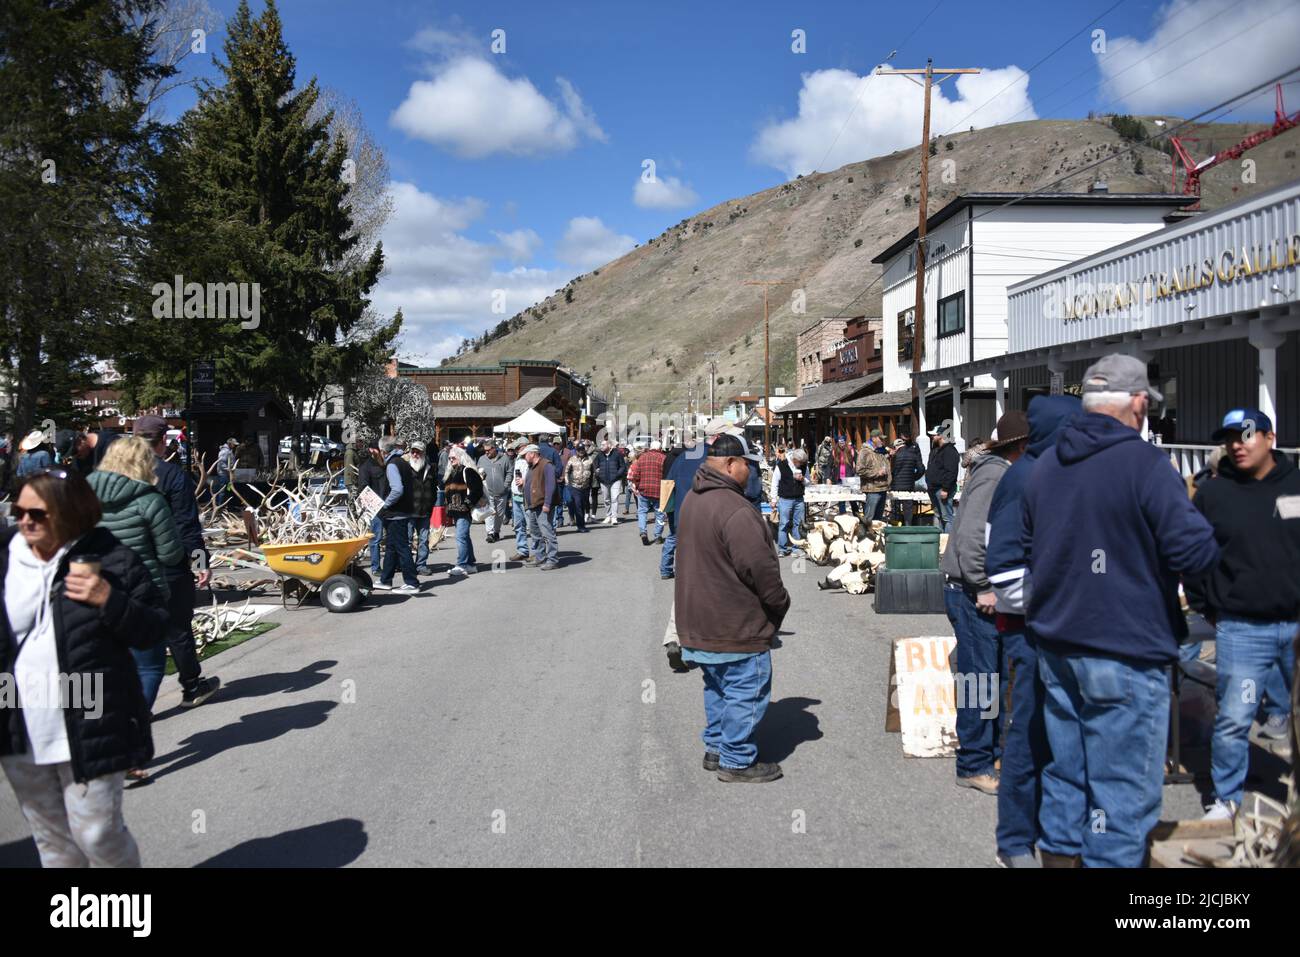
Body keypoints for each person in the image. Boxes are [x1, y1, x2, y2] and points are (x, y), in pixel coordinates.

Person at [1023, 354, 1218, 867]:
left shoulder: (1044, 467)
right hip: (1125, 649)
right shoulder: (1146, 465)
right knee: (1122, 796)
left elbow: (1026, 548)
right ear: (1136, 403)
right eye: (1145, 406)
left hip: (1058, 645)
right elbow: (1194, 553)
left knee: (1067, 778)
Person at [1, 468, 169, 867]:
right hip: (18, 721)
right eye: (18, 510)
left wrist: (109, 599)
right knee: (52, 842)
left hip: (90, 715)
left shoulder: (110, 557)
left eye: (38, 513)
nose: (25, 520)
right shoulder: (5, 555)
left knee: (97, 833)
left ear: (70, 512)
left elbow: (153, 628)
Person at [1186, 408, 1300, 820]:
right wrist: (1205, 604)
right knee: (1234, 718)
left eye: (1246, 435)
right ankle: (1226, 799)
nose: (1237, 443)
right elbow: (1193, 556)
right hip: (1241, 626)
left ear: (1270, 438)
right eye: (1230, 437)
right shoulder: (1215, 495)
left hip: (1297, 626)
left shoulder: (1297, 486)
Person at [984, 395, 1081, 868]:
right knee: (1028, 731)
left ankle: (1057, 831)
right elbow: (1001, 568)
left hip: (1067, 628)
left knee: (1063, 736)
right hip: (1030, 629)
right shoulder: (1024, 478)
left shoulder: (1068, 472)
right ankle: (1016, 840)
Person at [676, 433, 791, 783]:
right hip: (734, 623)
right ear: (729, 465)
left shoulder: (693, 500)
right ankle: (737, 759)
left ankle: (716, 747)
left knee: (717, 686)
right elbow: (760, 570)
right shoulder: (735, 509)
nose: (750, 472)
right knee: (745, 689)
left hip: (700, 621)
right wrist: (780, 603)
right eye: (747, 465)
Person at [940, 411, 1029, 799]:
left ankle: (990, 754)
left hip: (986, 592)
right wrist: (984, 586)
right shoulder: (997, 478)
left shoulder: (999, 475)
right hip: (974, 592)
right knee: (980, 678)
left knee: (993, 678)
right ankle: (973, 763)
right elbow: (974, 540)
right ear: (1022, 447)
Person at [86, 438, 183, 729]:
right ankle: (130, 725)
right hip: (144, 591)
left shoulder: (82, 496)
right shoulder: (149, 500)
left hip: (96, 590)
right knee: (149, 666)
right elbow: (170, 553)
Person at [133, 415, 220, 710]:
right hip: (169, 562)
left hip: (127, 564)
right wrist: (199, 563)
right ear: (163, 443)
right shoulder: (172, 476)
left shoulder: (117, 475)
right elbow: (187, 526)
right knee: (177, 628)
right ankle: (191, 686)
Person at [373, 437, 419, 593]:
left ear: (383, 451)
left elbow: (397, 489)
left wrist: (385, 503)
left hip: (396, 513)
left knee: (401, 548)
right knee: (392, 547)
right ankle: (386, 580)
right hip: (402, 511)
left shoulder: (392, 464)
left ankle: (412, 582)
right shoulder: (402, 462)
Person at [444, 446, 484, 576]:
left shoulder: (468, 471)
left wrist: (467, 504)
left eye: (453, 458)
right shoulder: (452, 472)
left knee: (461, 537)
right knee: (464, 537)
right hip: (455, 511)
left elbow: (477, 490)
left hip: (464, 511)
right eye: (449, 458)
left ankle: (462, 564)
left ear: (460, 457)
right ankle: (471, 564)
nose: (451, 460)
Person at [522, 444, 560, 570]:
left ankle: (552, 560)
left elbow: (551, 486)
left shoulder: (546, 465)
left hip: (542, 505)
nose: (524, 458)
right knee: (535, 534)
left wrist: (547, 504)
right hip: (533, 505)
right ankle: (540, 557)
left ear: (532, 453)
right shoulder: (531, 467)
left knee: (547, 533)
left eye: (525, 455)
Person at [357, 439, 387, 576]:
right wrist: (374, 507)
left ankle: (391, 565)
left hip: (389, 506)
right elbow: (363, 488)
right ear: (371, 450)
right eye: (378, 449)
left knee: (391, 538)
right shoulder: (366, 467)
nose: (381, 451)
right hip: (376, 509)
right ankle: (376, 567)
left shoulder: (386, 464)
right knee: (375, 539)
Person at [628, 440, 667, 546]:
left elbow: (636, 473)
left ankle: (643, 532)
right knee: (660, 514)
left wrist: (636, 484)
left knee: (642, 512)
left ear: (650, 447)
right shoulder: (663, 458)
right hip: (659, 490)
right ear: (659, 448)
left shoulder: (642, 457)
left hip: (644, 489)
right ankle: (658, 536)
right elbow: (667, 474)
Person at [407, 441, 437, 572]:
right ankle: (407, 566)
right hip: (409, 511)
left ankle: (421, 565)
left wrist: (431, 505)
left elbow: (434, 489)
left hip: (425, 511)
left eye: (418, 451)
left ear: (423, 453)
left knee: (424, 540)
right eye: (413, 451)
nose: (415, 454)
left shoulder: (430, 468)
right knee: (407, 541)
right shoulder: (406, 467)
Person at [774, 447, 808, 557]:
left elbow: (808, 482)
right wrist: (773, 499)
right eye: (800, 462)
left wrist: (802, 479)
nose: (801, 464)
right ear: (794, 459)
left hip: (799, 499)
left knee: (798, 524)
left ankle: (796, 548)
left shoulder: (804, 466)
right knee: (784, 524)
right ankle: (782, 549)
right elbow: (775, 482)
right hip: (785, 499)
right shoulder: (781, 465)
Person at [476, 441, 513, 544]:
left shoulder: (504, 458)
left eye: (488, 450)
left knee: (499, 514)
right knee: (489, 513)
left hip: (502, 492)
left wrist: (506, 485)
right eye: (485, 450)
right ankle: (490, 533)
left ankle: (496, 531)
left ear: (494, 449)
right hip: (487, 491)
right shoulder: (482, 459)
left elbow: (510, 472)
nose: (486, 452)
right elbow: (477, 471)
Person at [925, 426, 960, 532]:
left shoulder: (950, 451)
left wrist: (945, 488)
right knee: (938, 515)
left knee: (947, 517)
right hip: (933, 487)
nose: (932, 437)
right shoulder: (935, 450)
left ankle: (949, 542)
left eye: (934, 435)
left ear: (940, 436)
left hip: (943, 489)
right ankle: (939, 541)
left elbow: (952, 471)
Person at [857, 429, 890, 522]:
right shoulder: (865, 452)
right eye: (881, 439)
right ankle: (866, 535)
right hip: (872, 490)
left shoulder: (880, 452)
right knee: (869, 519)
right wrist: (877, 473)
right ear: (874, 438)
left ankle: (876, 536)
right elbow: (860, 470)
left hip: (883, 488)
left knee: (878, 520)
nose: (883, 441)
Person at [888, 435, 923, 524]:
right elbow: (921, 469)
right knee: (908, 508)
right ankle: (908, 526)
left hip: (895, 485)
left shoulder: (895, 456)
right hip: (909, 485)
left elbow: (890, 471)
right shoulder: (913, 454)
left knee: (895, 508)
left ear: (896, 447)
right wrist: (913, 477)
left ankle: (896, 526)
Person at [507, 438, 531, 562]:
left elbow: (535, 476)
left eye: (517, 448)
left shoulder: (530, 457)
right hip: (516, 494)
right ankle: (522, 550)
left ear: (524, 446)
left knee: (532, 526)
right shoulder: (518, 458)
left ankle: (537, 551)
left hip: (526, 496)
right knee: (518, 525)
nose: (515, 451)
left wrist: (524, 481)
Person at [594, 439, 627, 525]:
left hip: (615, 480)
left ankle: (614, 517)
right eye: (601, 445)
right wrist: (597, 473)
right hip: (603, 480)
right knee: (606, 499)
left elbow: (622, 466)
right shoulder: (599, 455)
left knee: (614, 499)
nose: (601, 446)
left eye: (603, 445)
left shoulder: (617, 454)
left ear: (609, 446)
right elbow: (595, 466)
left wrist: (617, 475)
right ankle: (608, 516)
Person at [563, 442, 593, 533]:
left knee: (583, 505)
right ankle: (581, 526)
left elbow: (592, 472)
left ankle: (581, 524)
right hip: (574, 486)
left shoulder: (589, 459)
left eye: (582, 450)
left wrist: (590, 484)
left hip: (586, 486)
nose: (581, 451)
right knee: (578, 505)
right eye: (579, 450)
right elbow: (566, 472)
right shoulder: (572, 459)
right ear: (576, 451)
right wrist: (568, 483)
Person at [214, 437, 238, 509]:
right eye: (234, 444)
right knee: (223, 490)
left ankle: (227, 505)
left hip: (228, 475)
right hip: (224, 475)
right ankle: (220, 506)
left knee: (229, 489)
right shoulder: (225, 451)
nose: (234, 446)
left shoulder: (229, 451)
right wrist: (229, 469)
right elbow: (221, 463)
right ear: (230, 444)